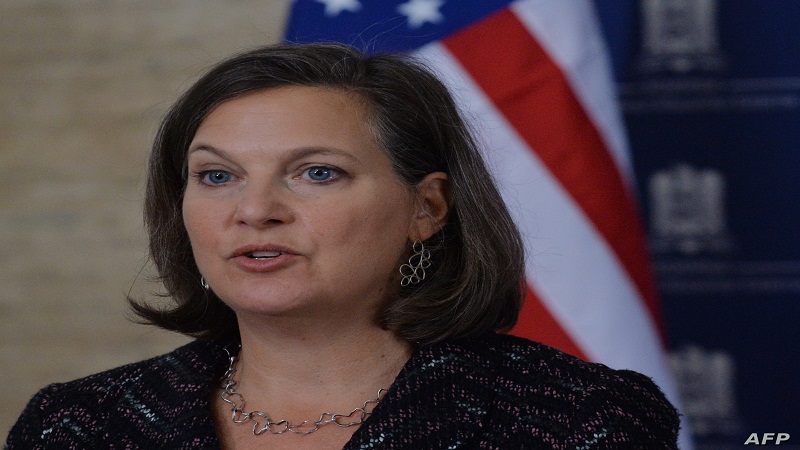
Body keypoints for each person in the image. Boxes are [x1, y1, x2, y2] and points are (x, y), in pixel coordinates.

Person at [5, 42, 680, 449]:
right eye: (217, 176)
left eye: (317, 173)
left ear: (427, 208)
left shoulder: (576, 419)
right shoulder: (78, 426)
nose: (254, 211)